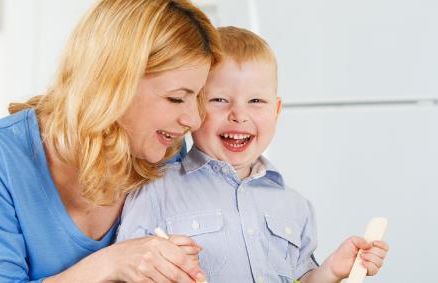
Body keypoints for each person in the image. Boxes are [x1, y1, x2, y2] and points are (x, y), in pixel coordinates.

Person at [0, 0, 222, 283]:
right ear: (114, 82)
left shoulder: (166, 151)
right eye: (175, 98)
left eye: (196, 97)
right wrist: (108, 264)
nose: (194, 120)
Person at [116, 26, 389, 282]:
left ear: (276, 110)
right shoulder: (153, 191)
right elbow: (126, 271)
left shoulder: (295, 206)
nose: (239, 116)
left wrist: (330, 271)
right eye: (219, 100)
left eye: (256, 101)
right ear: (194, 107)